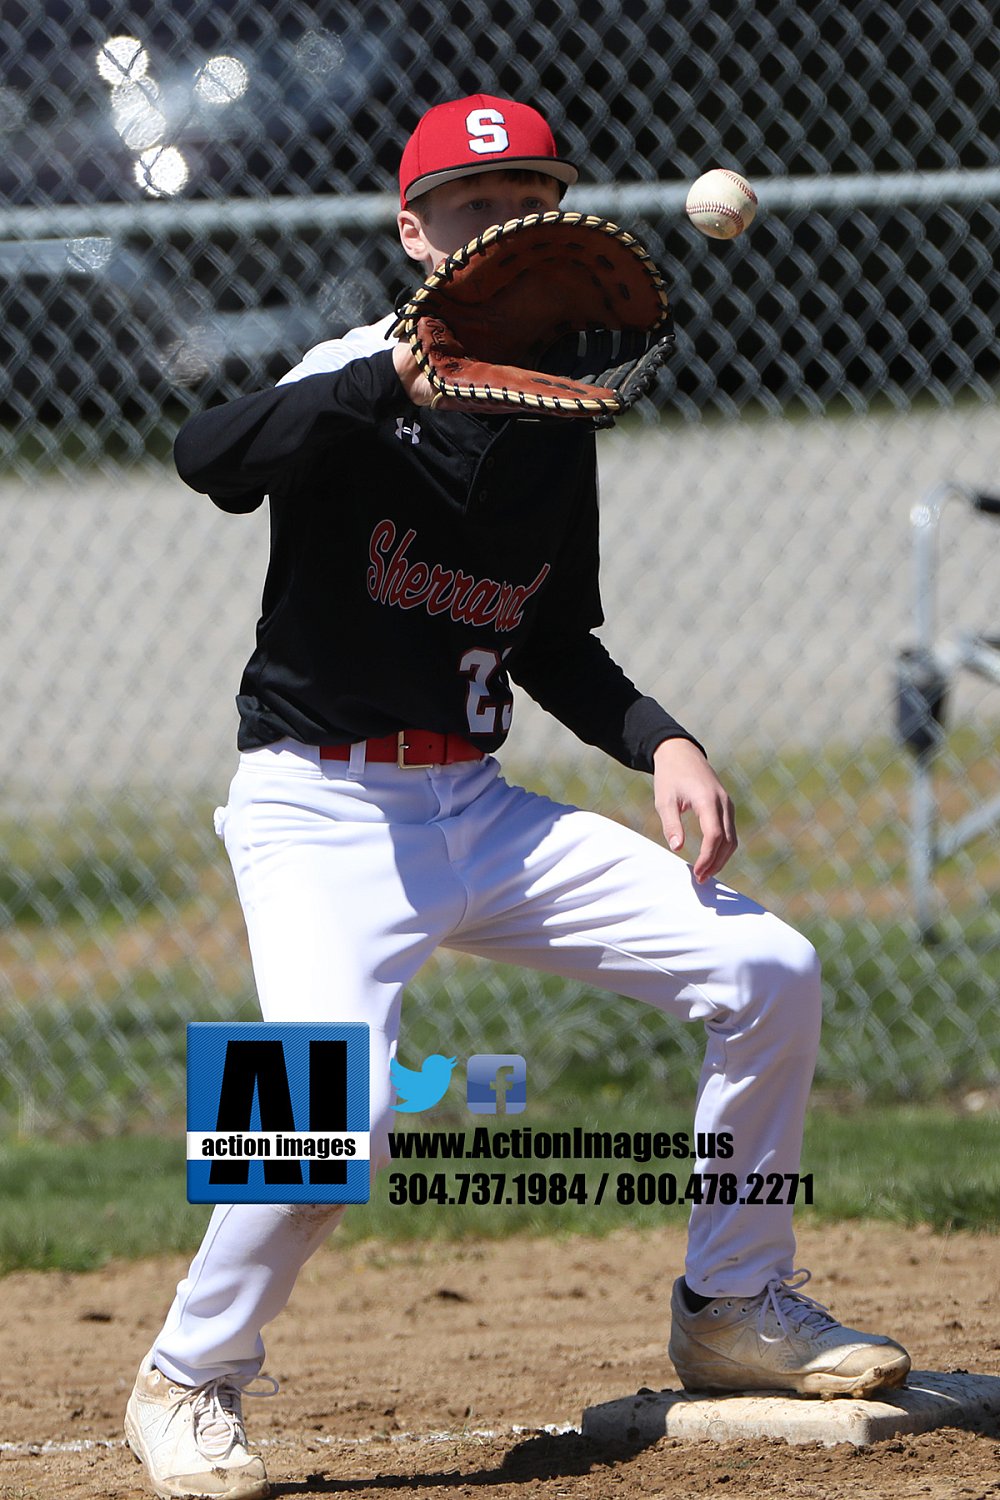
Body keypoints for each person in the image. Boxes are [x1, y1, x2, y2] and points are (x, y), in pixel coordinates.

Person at [124, 94, 910, 1500]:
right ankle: (186, 1379)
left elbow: (549, 638)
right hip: (316, 809)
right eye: (474, 211)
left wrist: (665, 742)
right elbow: (210, 458)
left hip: (479, 808)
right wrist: (391, 382)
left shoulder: (554, 412)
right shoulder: (351, 370)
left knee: (766, 965)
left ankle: (733, 1308)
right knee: (326, 1115)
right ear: (413, 229)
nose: (503, 234)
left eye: (528, 205)